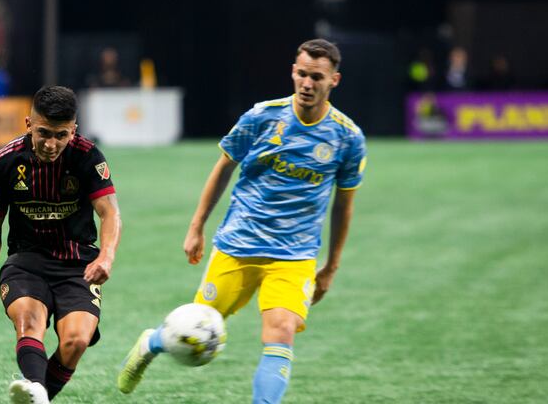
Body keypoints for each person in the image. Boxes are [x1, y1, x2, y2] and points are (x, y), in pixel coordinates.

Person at [117, 39, 367, 403]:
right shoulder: (262, 117)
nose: (307, 83)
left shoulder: (347, 138)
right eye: (302, 73)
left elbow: (344, 205)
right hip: (239, 244)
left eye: (317, 76)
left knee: (281, 331)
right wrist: (196, 225)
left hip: (294, 257)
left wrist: (331, 266)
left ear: (334, 80)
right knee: (195, 329)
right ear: (292, 72)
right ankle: (152, 342)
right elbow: (223, 169)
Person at [0, 86, 121, 404]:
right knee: (28, 323)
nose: (51, 144)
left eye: (61, 135)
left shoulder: (88, 157)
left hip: (78, 265)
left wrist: (106, 256)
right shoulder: (6, 162)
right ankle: (38, 394)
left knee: (76, 342)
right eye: (43, 133)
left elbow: (110, 213)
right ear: (28, 124)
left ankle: (38, 395)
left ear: (73, 130)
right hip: (26, 262)